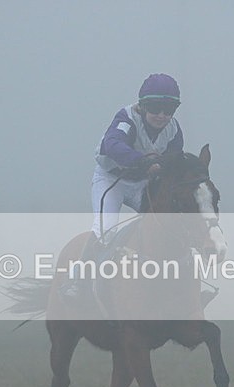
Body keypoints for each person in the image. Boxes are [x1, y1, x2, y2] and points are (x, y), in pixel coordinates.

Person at [62, 73, 184, 301]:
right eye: (156, 107)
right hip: (112, 180)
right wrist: (142, 160)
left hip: (141, 183)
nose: (161, 115)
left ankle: (176, 284)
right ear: (143, 105)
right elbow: (112, 144)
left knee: (168, 223)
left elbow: (174, 161)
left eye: (169, 110)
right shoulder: (127, 118)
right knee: (105, 230)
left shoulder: (174, 130)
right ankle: (77, 281)